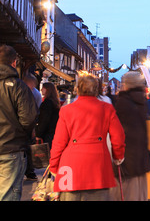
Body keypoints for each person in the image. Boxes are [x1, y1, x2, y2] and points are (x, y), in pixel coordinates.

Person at [49, 73, 126, 201]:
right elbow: (118, 136)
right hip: (98, 165)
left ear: (77, 89)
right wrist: (118, 156)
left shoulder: (67, 110)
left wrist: (54, 165)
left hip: (71, 166)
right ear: (97, 90)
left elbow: (59, 142)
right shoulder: (107, 109)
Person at [0, 45, 38, 201]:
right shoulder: (19, 87)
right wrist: (19, 134)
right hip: (10, 148)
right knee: (7, 196)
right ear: (14, 62)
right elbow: (29, 118)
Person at [109, 71, 150, 201]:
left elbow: (118, 132)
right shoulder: (142, 101)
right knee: (138, 192)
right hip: (140, 156)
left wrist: (116, 154)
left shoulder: (123, 102)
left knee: (123, 193)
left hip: (126, 157)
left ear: (126, 85)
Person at [22, 73, 41, 181]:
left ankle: (29, 170)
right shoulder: (33, 93)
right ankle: (29, 170)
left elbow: (34, 112)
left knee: (29, 149)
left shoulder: (35, 93)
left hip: (28, 126)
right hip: (27, 125)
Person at [35, 82, 60, 148]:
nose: (41, 90)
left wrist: (38, 134)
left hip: (47, 134)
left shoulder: (47, 103)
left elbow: (44, 120)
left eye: (43, 88)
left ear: (47, 90)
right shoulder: (54, 102)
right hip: (52, 132)